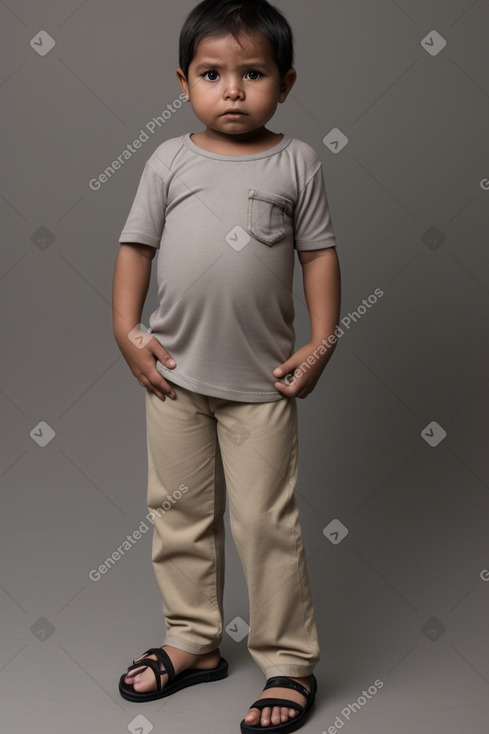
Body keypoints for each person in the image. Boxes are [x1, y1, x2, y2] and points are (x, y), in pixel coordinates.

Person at [112, 0, 341, 731]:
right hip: (173, 377)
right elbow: (135, 249)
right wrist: (127, 330)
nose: (232, 90)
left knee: (264, 523)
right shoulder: (168, 159)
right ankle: (193, 643)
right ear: (184, 82)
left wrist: (322, 340)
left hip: (260, 385)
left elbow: (318, 255)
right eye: (212, 74)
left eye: (252, 74)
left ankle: (287, 662)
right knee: (177, 514)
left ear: (286, 81)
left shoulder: (297, 160)